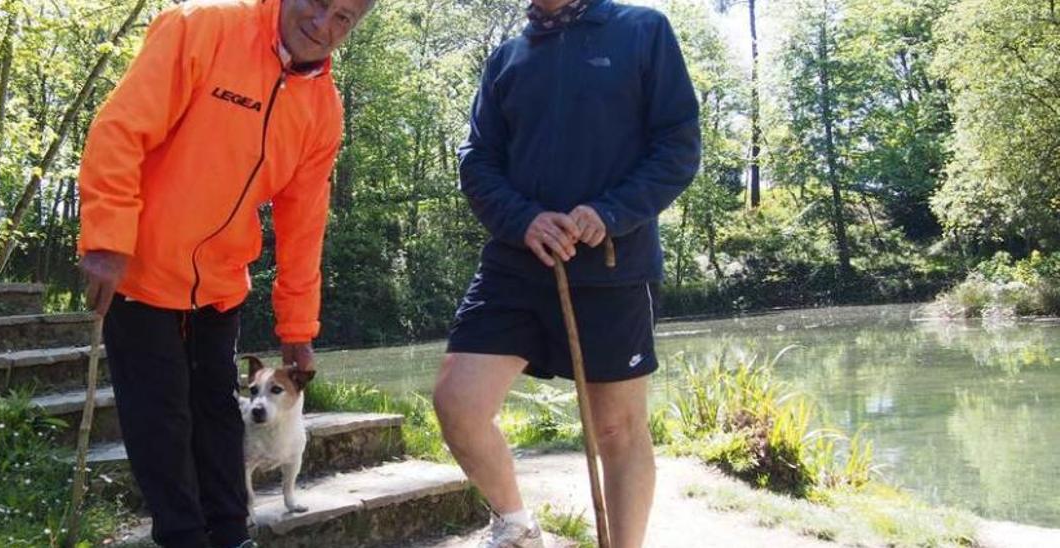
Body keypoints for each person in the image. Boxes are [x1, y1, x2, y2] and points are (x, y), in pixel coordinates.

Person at [75, 1, 375, 546]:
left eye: (344, 19)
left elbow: (304, 221)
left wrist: (298, 327)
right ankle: (182, 537)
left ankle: (233, 534)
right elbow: (120, 128)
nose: (322, 25)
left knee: (217, 414)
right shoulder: (203, 26)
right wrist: (106, 237)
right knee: (161, 423)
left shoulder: (324, 107)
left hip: (218, 285)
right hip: (141, 274)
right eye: (318, 3)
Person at [433, 0, 701, 546]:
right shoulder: (507, 57)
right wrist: (523, 219)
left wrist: (611, 211)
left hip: (612, 265)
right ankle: (516, 525)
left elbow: (677, 145)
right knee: (457, 405)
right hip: (517, 261)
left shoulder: (643, 30)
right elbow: (477, 160)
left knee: (616, 430)